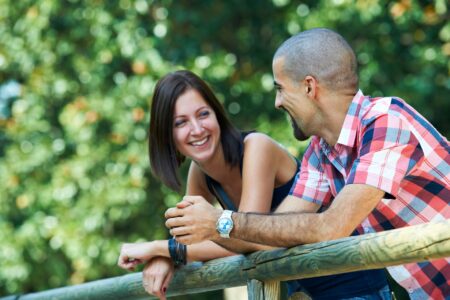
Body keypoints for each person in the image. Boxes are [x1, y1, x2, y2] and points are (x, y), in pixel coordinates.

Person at [165, 29, 450, 300]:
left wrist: (220, 222)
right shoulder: (320, 152)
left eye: (280, 89)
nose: (277, 102)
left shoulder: (386, 121)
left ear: (309, 87)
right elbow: (272, 234)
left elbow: (332, 226)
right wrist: (204, 234)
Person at [117, 70, 392, 299]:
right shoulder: (200, 175)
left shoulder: (256, 148)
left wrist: (161, 248)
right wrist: (167, 256)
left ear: (217, 115)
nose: (197, 129)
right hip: (305, 292)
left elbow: (247, 238)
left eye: (203, 114)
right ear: (167, 134)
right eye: (181, 122)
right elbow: (191, 238)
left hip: (355, 286)